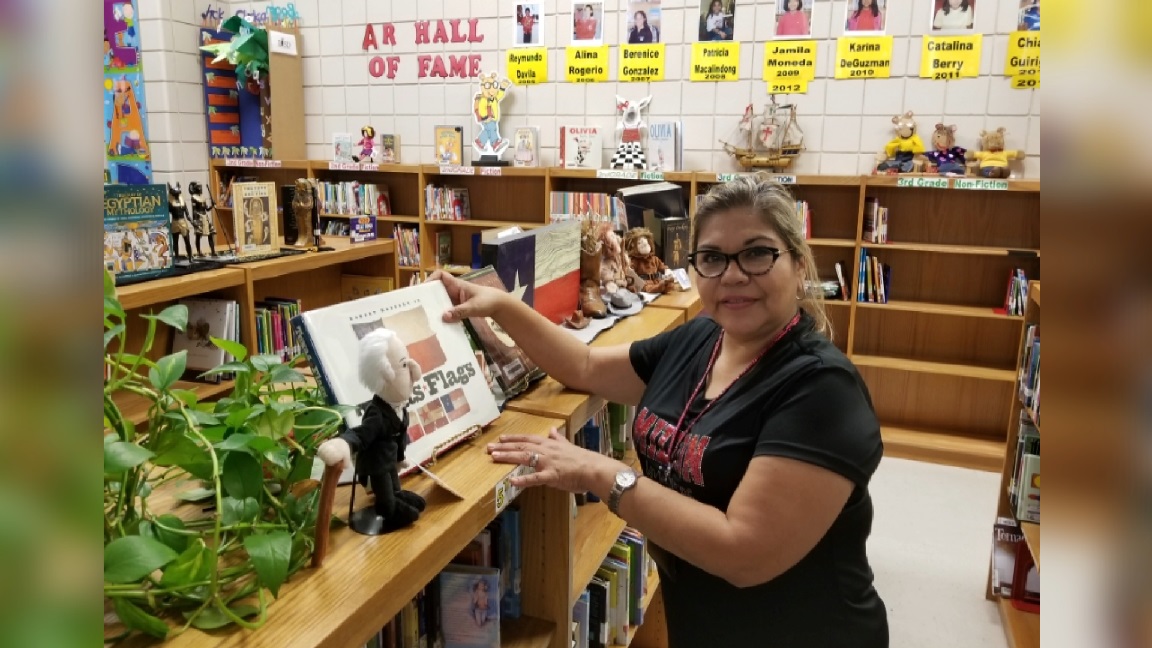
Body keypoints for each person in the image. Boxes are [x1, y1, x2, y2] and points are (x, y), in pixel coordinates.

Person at [429, 174, 889, 647]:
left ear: (796, 261)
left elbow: (743, 553)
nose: (732, 274)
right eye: (712, 258)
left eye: (756, 253)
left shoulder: (821, 388)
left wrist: (600, 473)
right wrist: (500, 306)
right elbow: (584, 365)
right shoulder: (701, 340)